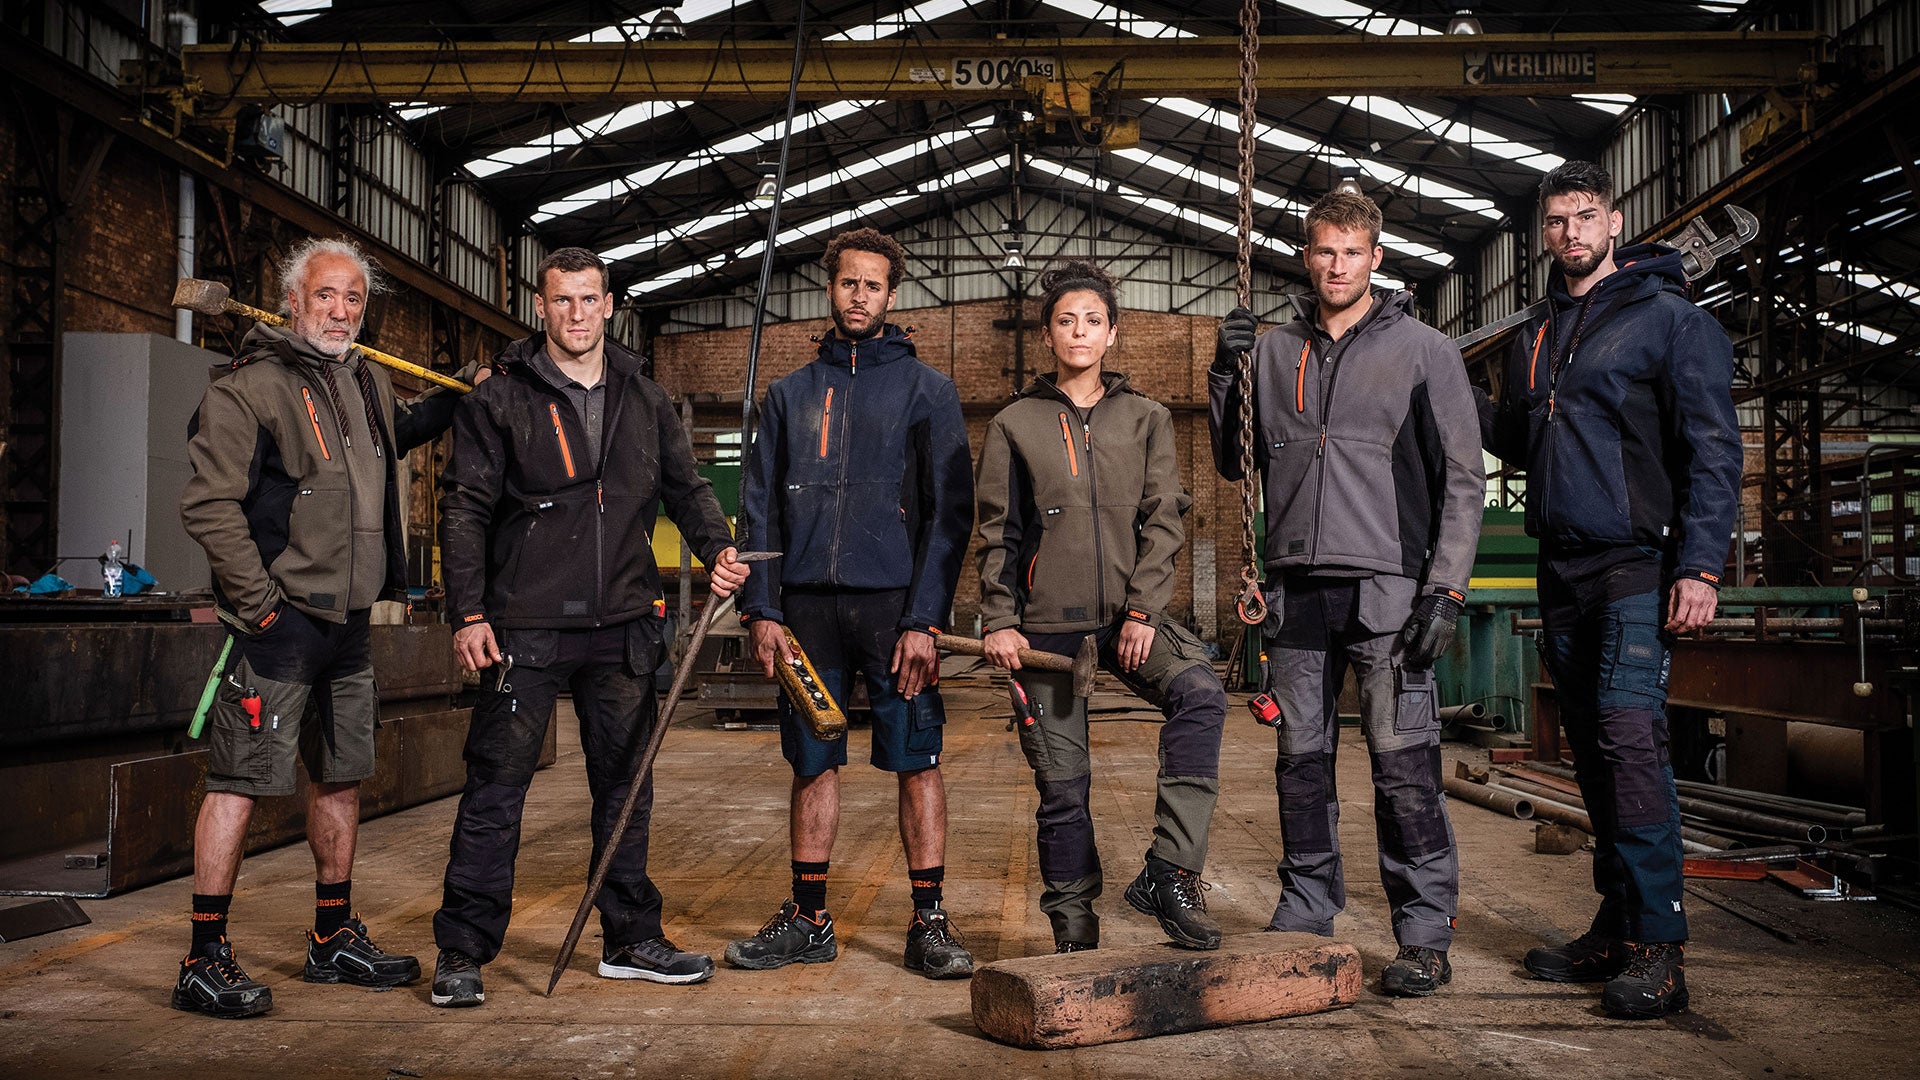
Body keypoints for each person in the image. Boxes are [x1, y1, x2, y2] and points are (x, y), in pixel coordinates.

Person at [430, 247, 749, 1006]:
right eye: (561, 301)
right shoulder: (498, 400)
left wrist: (719, 546)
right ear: (541, 308)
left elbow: (688, 487)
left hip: (624, 623)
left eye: (589, 300)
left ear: (610, 305)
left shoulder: (645, 397)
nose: (576, 314)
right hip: (525, 626)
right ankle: (464, 950)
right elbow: (465, 509)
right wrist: (468, 611)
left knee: (626, 790)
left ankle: (631, 938)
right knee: (496, 791)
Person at [178, 237, 475, 1017]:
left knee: (340, 775)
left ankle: (331, 936)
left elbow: (395, 440)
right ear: (292, 301)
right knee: (239, 783)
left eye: (353, 299)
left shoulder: (367, 380)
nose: (340, 311)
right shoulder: (249, 390)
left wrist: (460, 395)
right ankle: (203, 957)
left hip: (349, 625)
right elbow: (209, 506)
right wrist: (261, 605)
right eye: (325, 296)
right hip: (279, 626)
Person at [1479, 162, 1740, 1019]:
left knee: (1630, 745)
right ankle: (1618, 922)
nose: (1570, 233)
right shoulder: (1540, 332)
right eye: (1555, 222)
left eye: (1584, 217)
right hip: (1560, 566)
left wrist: (1701, 568)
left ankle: (1662, 946)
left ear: (1615, 222)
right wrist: (1438, 381)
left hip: (1637, 563)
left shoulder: (1671, 322)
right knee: (1590, 751)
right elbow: (1522, 439)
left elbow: (1712, 451)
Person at [1209, 190, 1485, 997]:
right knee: (1301, 764)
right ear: (1307, 254)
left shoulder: (1426, 350)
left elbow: (1464, 480)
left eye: (1352, 252)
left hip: (1389, 590)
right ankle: (1305, 910)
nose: (1337, 266)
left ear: (1377, 257)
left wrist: (1447, 591)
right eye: (1324, 251)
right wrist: (1225, 373)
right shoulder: (1270, 349)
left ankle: (1425, 933)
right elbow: (1236, 462)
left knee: (1403, 768)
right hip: (1297, 590)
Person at [728, 227, 976, 979]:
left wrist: (925, 620)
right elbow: (760, 507)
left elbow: (948, 516)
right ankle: (809, 919)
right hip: (805, 616)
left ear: (891, 295)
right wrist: (761, 610)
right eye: (847, 282)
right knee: (812, 761)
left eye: (873, 284)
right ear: (829, 289)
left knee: (916, 761)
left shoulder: (928, 391)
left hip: (895, 611)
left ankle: (929, 922)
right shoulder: (788, 395)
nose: (859, 295)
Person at [976, 260, 1229, 954]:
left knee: (1202, 696)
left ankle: (1169, 873)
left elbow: (1163, 521)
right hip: (1045, 631)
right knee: (1064, 787)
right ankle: (1074, 924)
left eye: (1092, 320)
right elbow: (996, 531)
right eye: (1066, 320)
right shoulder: (1014, 424)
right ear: (1048, 333)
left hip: (1128, 616)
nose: (1079, 332)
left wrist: (1145, 613)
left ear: (1112, 332)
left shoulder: (1145, 417)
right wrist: (999, 620)